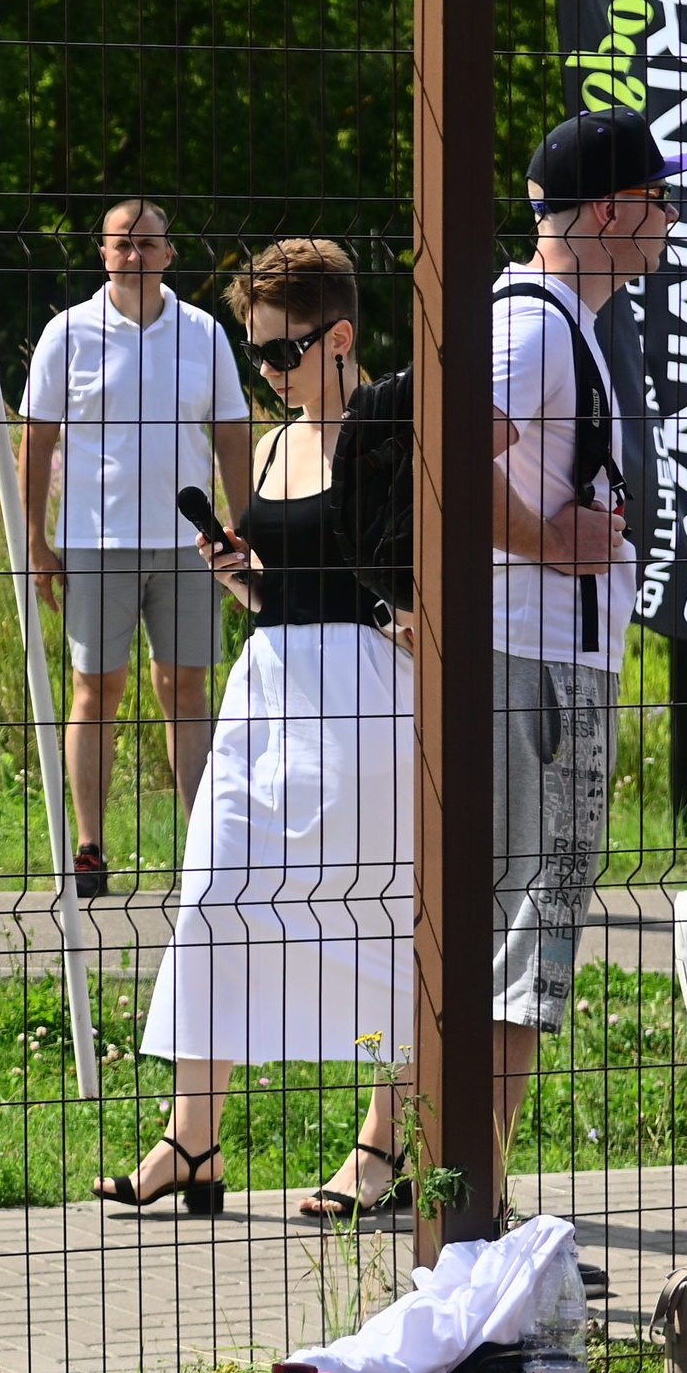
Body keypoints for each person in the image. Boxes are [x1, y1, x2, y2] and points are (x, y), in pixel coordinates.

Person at [98, 239, 415, 1216]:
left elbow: (411, 580)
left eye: (284, 351)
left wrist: (399, 615)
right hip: (268, 693)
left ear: (340, 337)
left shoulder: (390, 429)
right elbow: (290, 589)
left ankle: (386, 1143)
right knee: (215, 893)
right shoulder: (274, 448)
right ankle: (191, 1139)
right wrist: (245, 581)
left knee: (375, 912)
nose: (270, 372)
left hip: (366, 694)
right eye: (257, 353)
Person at [483, 107, 687, 1172]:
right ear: (610, 212)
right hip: (540, 669)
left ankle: (406, 1165)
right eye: (661, 199)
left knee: (498, 920)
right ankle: (474, 1194)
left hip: (536, 662)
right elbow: (442, 454)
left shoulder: (549, 319)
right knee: (534, 923)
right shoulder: (534, 328)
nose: (672, 218)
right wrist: (544, 536)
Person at [20, 199, 255, 896]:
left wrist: (247, 529)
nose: (134, 254)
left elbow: (232, 435)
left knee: (186, 690)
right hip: (95, 545)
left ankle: (206, 853)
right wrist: (34, 540)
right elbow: (37, 439)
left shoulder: (204, 332)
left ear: (169, 254)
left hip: (192, 545)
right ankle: (89, 850)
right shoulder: (66, 333)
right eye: (121, 243)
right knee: (98, 691)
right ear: (102, 253)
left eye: (147, 243)